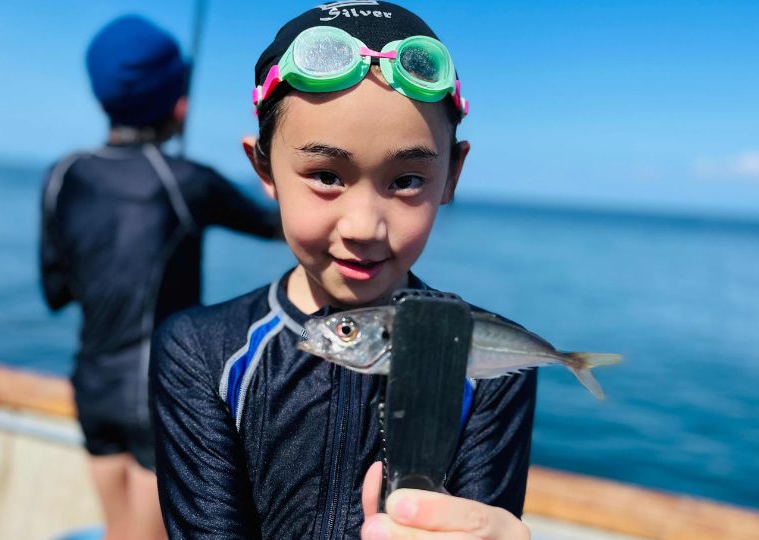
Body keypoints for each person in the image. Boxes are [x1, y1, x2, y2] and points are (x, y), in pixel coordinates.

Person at [150, 3, 534, 539]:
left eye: (406, 181)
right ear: (264, 167)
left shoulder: (487, 356)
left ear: (452, 175)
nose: (364, 226)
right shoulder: (199, 350)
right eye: (327, 174)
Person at [39, 15, 281, 540]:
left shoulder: (63, 175)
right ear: (178, 103)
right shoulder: (187, 182)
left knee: (118, 531)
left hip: (93, 386)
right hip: (161, 393)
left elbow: (55, 291)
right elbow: (279, 225)